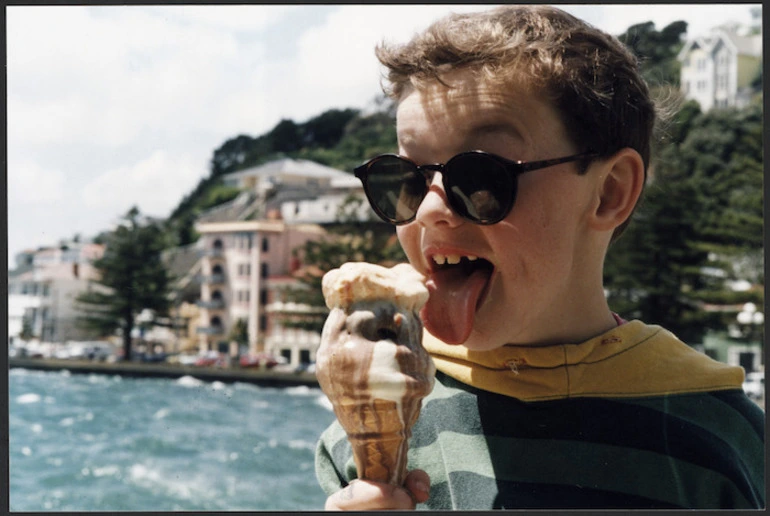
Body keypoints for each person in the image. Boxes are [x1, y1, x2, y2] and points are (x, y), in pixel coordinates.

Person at [314, 5, 764, 510]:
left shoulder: (719, 439)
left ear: (609, 192)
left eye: (480, 178)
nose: (431, 211)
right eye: (404, 179)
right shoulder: (375, 424)